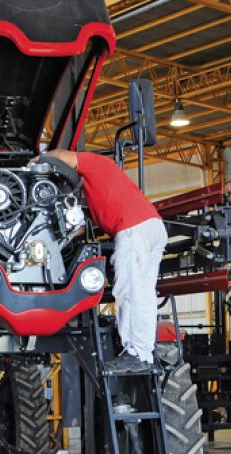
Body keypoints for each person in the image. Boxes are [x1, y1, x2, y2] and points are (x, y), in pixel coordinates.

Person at [41, 149, 167, 370]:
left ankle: (136, 353)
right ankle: (144, 352)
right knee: (143, 292)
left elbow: (59, 156)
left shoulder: (96, 163)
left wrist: (36, 161)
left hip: (132, 227)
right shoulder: (97, 193)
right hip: (153, 226)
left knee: (128, 290)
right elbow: (79, 228)